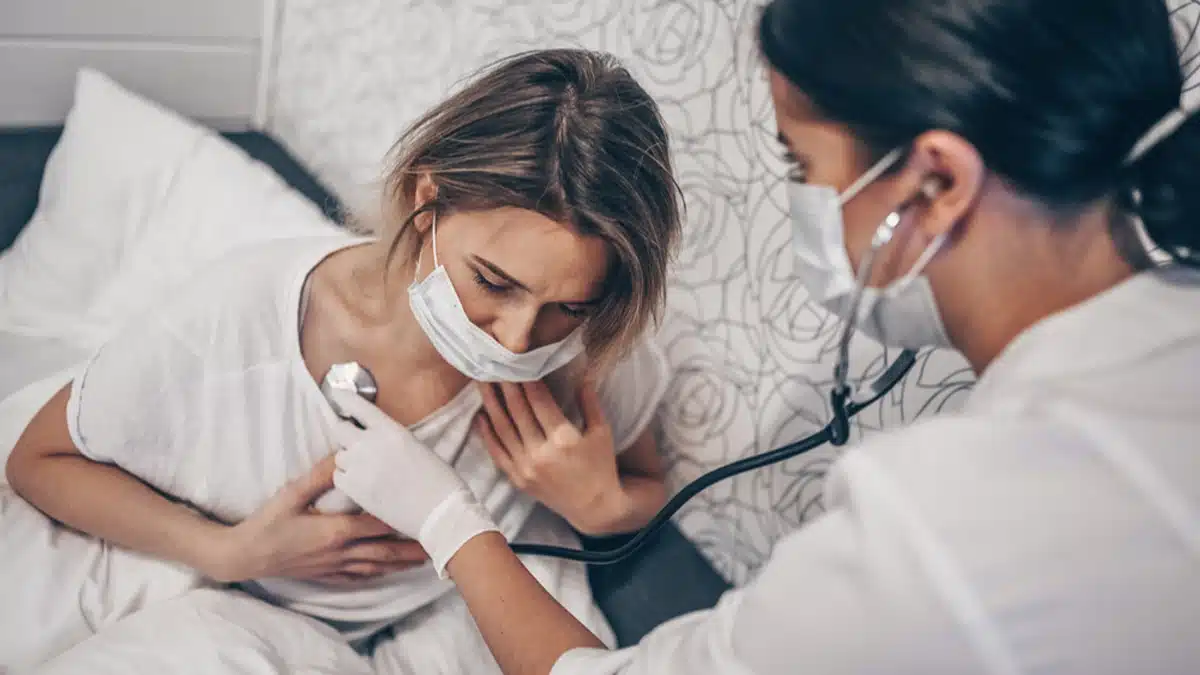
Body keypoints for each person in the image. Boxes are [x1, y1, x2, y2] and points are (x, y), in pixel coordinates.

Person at [323, 1, 1200, 673]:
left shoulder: (944, 523)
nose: (520, 336)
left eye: (801, 164)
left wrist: (447, 520)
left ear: (935, 184)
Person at [5, 49, 682, 673]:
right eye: (493, 282)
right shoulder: (239, 319)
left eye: (565, 306)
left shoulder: (581, 350)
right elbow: (37, 459)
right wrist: (231, 550)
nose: (515, 340)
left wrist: (603, 508)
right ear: (428, 199)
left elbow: (645, 480)